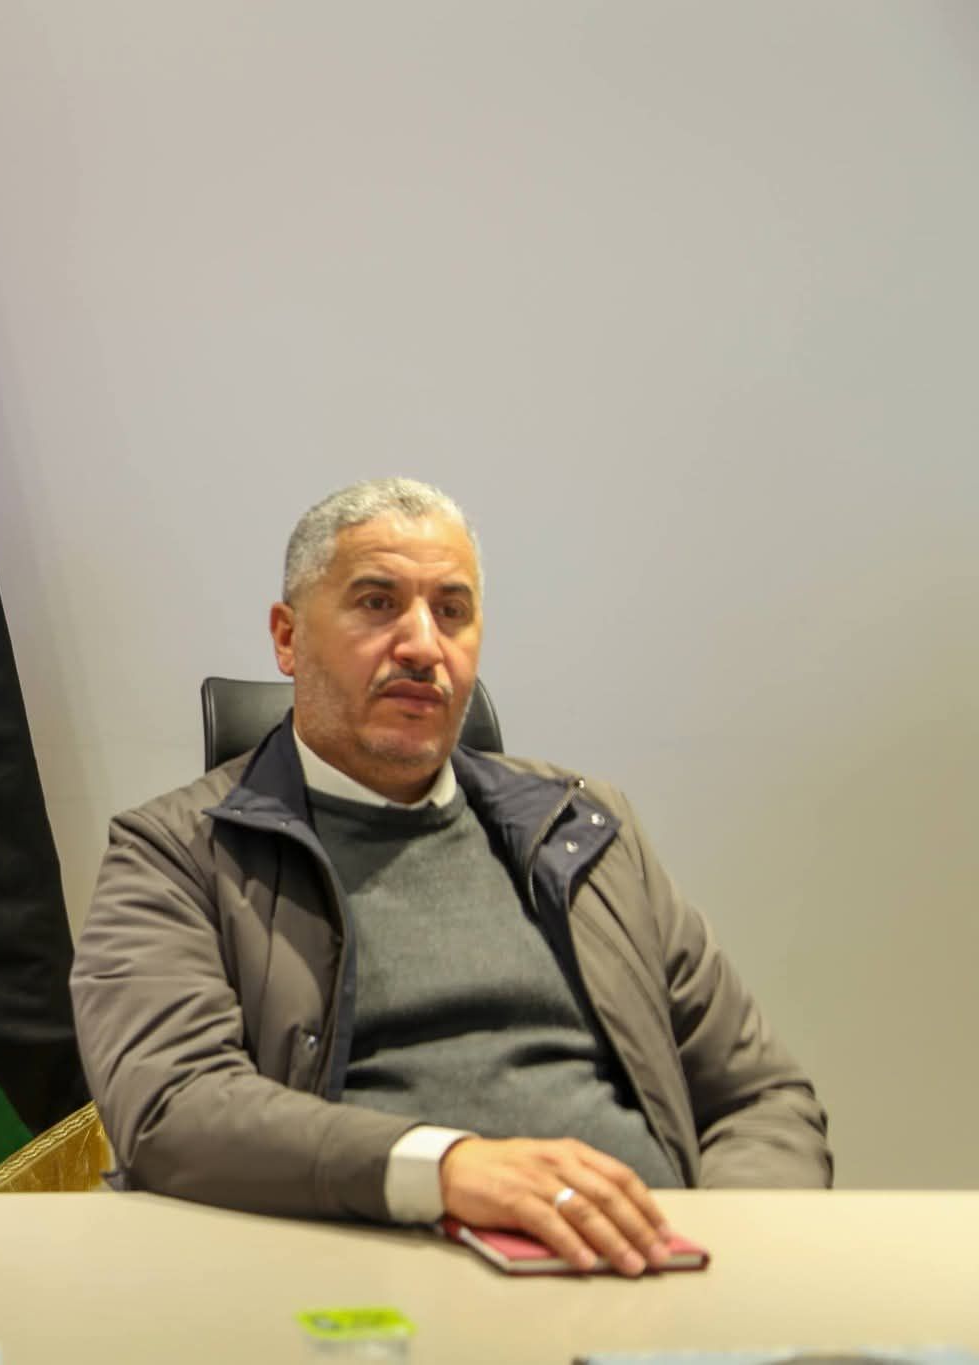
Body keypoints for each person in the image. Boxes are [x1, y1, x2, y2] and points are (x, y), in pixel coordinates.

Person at [70, 478, 830, 1277]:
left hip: (652, 1274)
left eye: (452, 610)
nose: (423, 645)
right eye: (377, 603)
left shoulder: (586, 829)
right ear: (287, 638)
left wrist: (729, 1247)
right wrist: (445, 1168)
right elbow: (173, 1108)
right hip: (368, 1288)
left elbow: (761, 1095)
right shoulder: (176, 851)